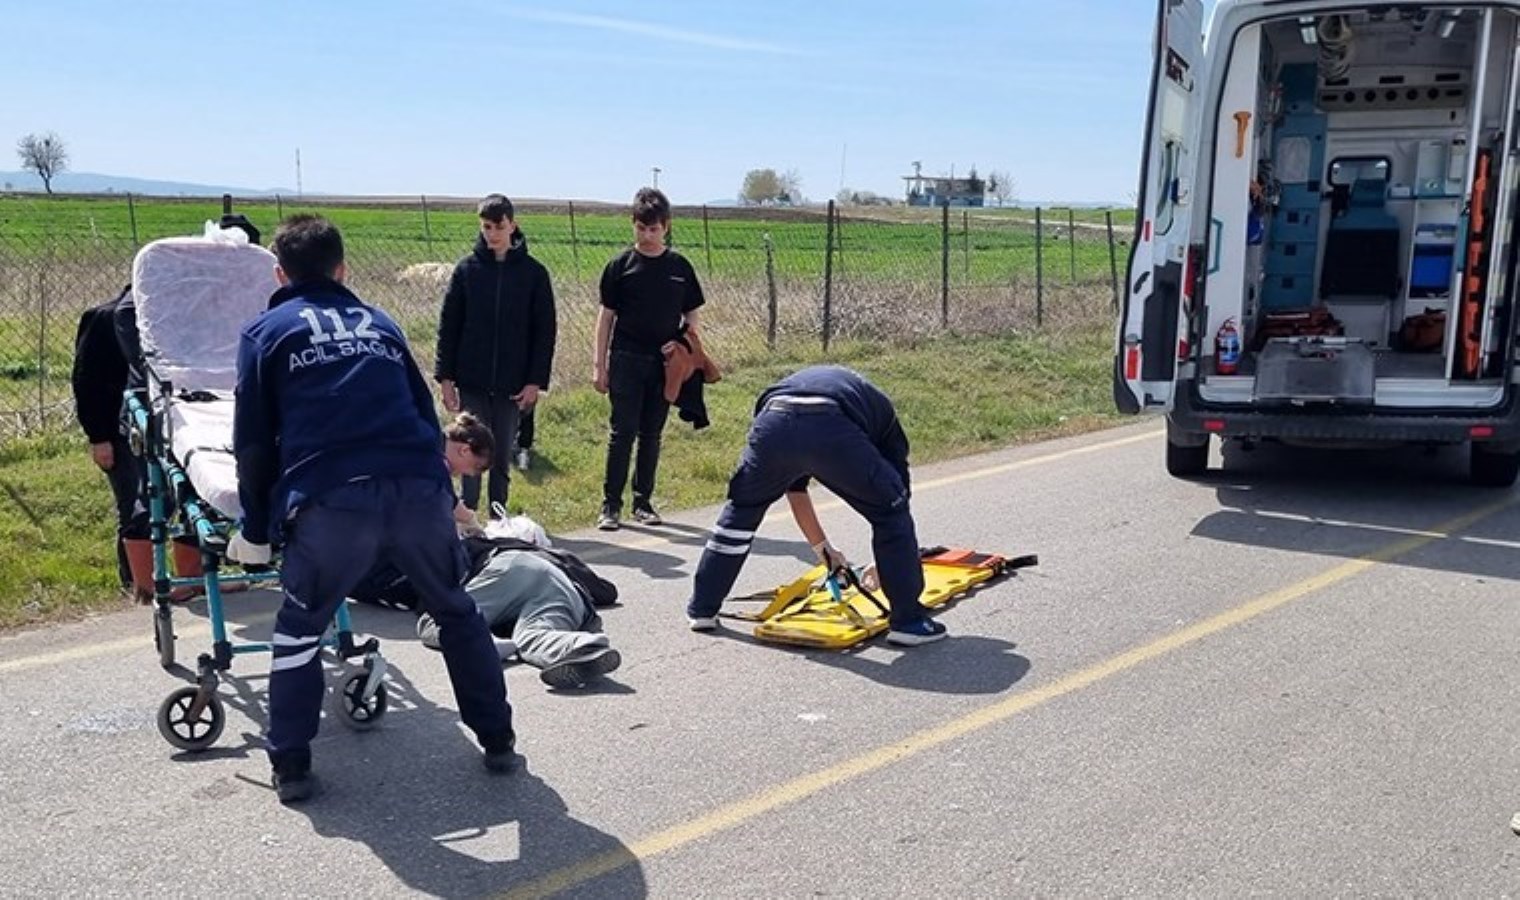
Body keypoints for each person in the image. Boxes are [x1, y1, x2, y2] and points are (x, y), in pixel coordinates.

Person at [228, 214, 516, 804]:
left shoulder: (265, 333)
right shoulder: (380, 324)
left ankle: (292, 764)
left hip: (334, 501)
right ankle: (498, 739)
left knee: (300, 628)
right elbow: (420, 413)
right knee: (455, 610)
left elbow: (253, 443)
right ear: (343, 269)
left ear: (280, 274)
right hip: (416, 490)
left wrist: (256, 527)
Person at [684, 365, 948, 647]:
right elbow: (896, 490)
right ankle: (908, 622)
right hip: (830, 421)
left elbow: (794, 488)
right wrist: (890, 564)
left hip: (773, 420)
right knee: (891, 514)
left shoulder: (824, 387)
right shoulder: (884, 419)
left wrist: (824, 550)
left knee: (740, 514)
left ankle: (702, 609)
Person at [435, 194, 556, 519]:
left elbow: (545, 331)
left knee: (501, 455)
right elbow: (449, 326)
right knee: (468, 452)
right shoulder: (466, 271)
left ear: (512, 225)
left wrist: (534, 381)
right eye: (486, 226)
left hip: (512, 385)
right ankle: (468, 518)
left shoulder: (533, 274)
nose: (492, 234)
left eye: (498, 226)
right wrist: (445, 379)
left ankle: (499, 519)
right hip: (471, 381)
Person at [592, 186, 706, 530]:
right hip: (626, 358)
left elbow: (693, 315)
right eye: (641, 228)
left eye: (653, 229)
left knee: (652, 433)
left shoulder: (679, 268)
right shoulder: (619, 266)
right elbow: (605, 317)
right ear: (633, 224)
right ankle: (610, 506)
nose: (647, 235)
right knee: (621, 432)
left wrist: (683, 345)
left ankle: (643, 503)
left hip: (663, 364)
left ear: (666, 226)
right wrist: (599, 364)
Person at [416, 536, 622, 690]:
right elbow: (607, 592)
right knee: (530, 636)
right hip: (564, 586)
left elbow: (434, 592)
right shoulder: (544, 551)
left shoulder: (467, 547)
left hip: (509, 568)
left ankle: (482, 642)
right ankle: (581, 645)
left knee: (435, 620)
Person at [71, 285, 147, 597]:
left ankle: (187, 576)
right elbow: (85, 380)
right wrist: (98, 437)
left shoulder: (165, 318)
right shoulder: (103, 318)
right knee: (132, 503)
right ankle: (136, 582)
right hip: (116, 429)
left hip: (157, 424)